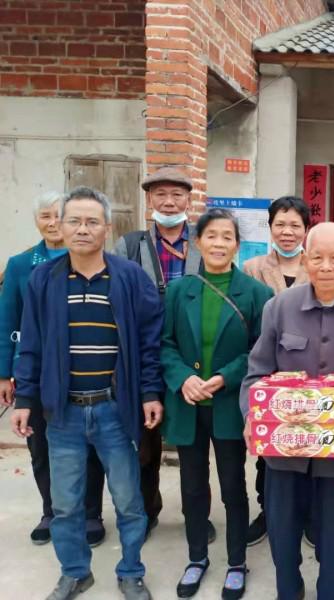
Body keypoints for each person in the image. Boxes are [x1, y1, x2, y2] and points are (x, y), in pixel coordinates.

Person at [10, 186, 164, 600]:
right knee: (65, 505)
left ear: (107, 228)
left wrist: (150, 392)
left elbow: (150, 340)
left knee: (130, 502)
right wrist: (24, 399)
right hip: (63, 413)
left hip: (115, 410)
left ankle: (131, 570)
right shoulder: (44, 278)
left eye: (92, 221)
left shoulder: (130, 277)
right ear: (59, 226)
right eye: (74, 221)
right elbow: (32, 344)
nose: (82, 229)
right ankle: (76, 571)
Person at [239, 221, 334, 600]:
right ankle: (289, 590)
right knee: (283, 531)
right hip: (283, 453)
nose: (326, 266)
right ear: (305, 260)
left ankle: (330, 589)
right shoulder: (279, 306)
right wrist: (252, 416)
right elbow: (256, 373)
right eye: (317, 257)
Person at [161, 208, 273, 599]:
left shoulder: (258, 294)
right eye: (212, 236)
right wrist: (182, 379)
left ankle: (236, 563)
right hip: (189, 404)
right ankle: (196, 558)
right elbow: (165, 344)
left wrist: (226, 376)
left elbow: (262, 350)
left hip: (229, 405)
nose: (219, 243)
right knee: (192, 488)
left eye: (227, 237)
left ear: (237, 245)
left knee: (232, 487)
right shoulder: (178, 291)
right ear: (197, 243)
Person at [113, 166, 214, 543]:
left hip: (190, 359)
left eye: (176, 195)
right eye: (160, 195)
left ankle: (196, 516)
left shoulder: (202, 242)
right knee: (144, 443)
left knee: (193, 445)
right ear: (148, 200)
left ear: (189, 200)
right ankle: (146, 510)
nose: (168, 201)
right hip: (142, 357)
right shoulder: (131, 244)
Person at [0, 191, 106, 547]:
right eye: (46, 216)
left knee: (88, 446)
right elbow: (8, 321)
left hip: (83, 373)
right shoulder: (21, 265)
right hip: (36, 372)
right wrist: (5, 373)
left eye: (57, 215)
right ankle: (51, 510)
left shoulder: (93, 260)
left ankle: (91, 513)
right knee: (41, 446)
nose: (52, 222)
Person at [242, 195, 310, 547]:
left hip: (310, 376)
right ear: (270, 228)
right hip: (268, 372)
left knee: (310, 447)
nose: (287, 232)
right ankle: (267, 512)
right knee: (269, 453)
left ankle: (309, 517)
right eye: (280, 224)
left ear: (305, 230)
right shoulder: (252, 268)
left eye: (295, 225)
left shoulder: (318, 267)